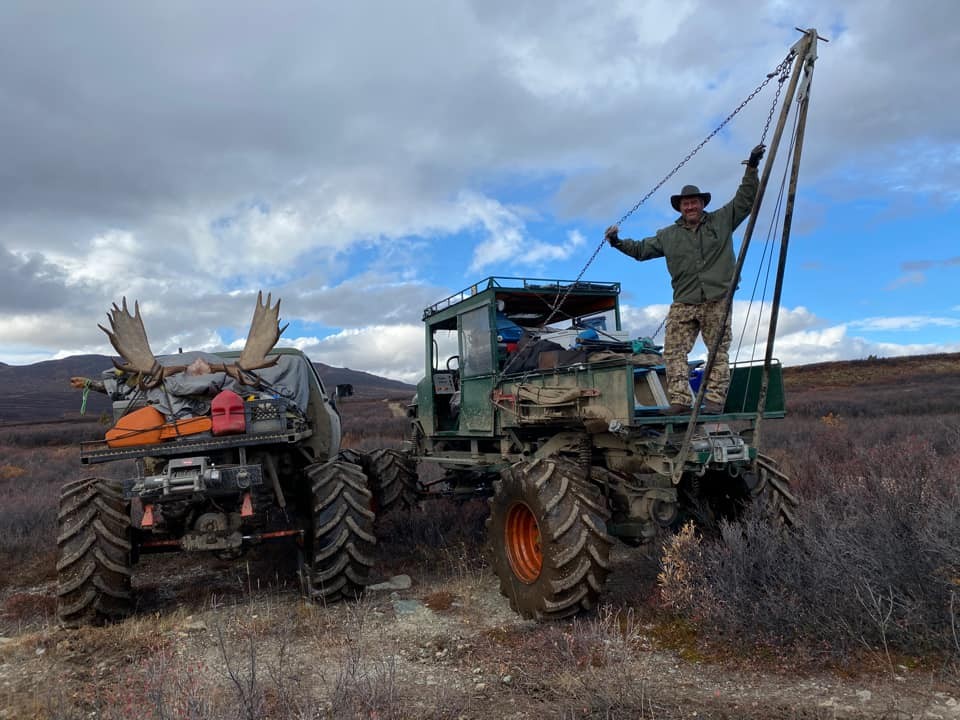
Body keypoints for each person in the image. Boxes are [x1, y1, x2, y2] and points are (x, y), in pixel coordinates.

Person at [605, 144, 765, 416]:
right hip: (684, 301)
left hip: (717, 299)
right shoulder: (668, 235)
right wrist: (617, 242)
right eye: (685, 203)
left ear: (703, 204)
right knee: (673, 351)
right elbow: (642, 250)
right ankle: (680, 400)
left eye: (694, 202)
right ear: (679, 208)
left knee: (717, 351)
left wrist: (751, 168)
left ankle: (714, 401)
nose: (690, 206)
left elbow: (746, 199)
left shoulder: (723, 220)